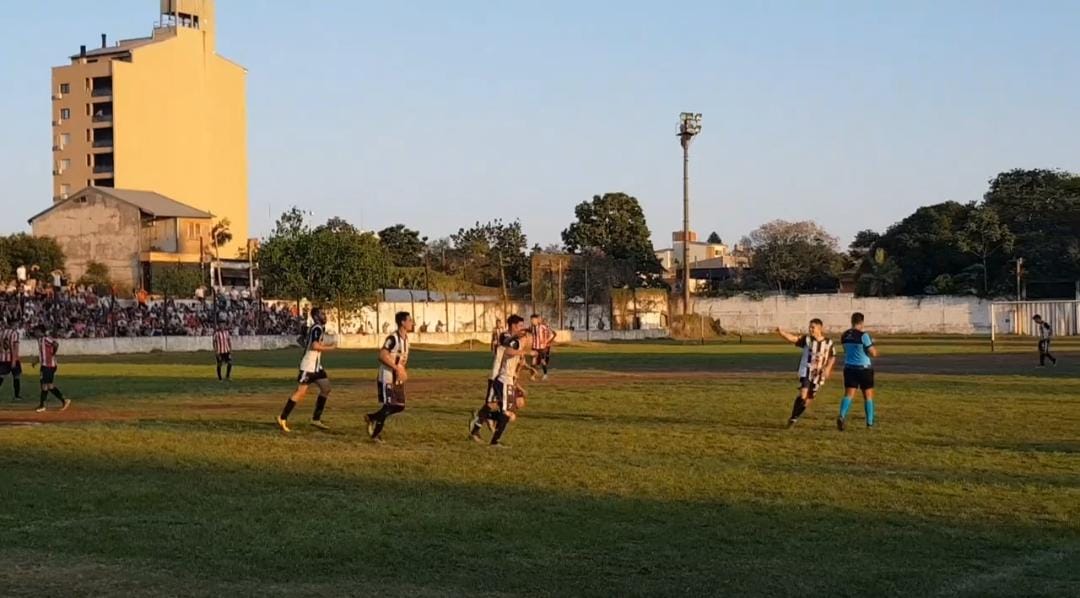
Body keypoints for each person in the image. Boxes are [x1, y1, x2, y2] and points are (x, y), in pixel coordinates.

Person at [470, 315, 533, 447]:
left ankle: (479, 422)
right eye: (520, 326)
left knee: (494, 406)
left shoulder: (516, 342)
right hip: (497, 376)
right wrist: (524, 348)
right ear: (513, 326)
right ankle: (490, 436)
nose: (522, 329)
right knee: (498, 408)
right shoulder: (506, 336)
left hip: (504, 377)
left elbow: (516, 357)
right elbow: (508, 348)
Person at [276, 307, 335, 433]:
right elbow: (314, 345)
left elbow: (302, 340)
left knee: (326, 388)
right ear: (316, 316)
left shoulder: (317, 328)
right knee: (300, 392)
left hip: (316, 366)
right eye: (322, 313)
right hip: (308, 366)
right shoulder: (317, 328)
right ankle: (282, 417)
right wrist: (331, 347)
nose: (324, 315)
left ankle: (316, 419)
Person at [776, 320, 836, 428]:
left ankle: (793, 417)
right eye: (810, 327)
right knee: (803, 394)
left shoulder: (828, 343)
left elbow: (832, 356)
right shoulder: (807, 340)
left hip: (818, 375)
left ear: (820, 328)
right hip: (806, 371)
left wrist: (827, 369)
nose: (810, 329)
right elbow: (793, 339)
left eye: (813, 327)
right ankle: (793, 418)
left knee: (807, 401)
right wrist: (782, 333)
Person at [365, 311, 413, 443]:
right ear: (402, 322)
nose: (411, 323)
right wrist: (396, 367)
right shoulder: (393, 338)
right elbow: (382, 355)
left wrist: (402, 369)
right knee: (389, 405)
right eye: (409, 320)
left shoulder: (406, 339)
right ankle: (375, 435)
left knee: (400, 406)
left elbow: (401, 358)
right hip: (387, 376)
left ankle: (372, 417)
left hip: (397, 377)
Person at [836, 312, 879, 431]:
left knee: (848, 394)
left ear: (851, 321)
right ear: (862, 322)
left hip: (849, 368)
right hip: (864, 368)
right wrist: (872, 345)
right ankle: (869, 423)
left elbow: (845, 350)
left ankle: (842, 415)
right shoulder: (864, 335)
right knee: (868, 396)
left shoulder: (844, 335)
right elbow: (873, 353)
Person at [31, 325, 69, 413]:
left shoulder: (45, 339)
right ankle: (63, 400)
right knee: (48, 386)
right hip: (44, 365)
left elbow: (56, 344)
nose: (35, 333)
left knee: (45, 385)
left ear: (40, 331)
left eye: (36, 331)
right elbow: (42, 353)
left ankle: (42, 405)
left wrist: (53, 353)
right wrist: (36, 361)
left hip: (49, 365)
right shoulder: (40, 340)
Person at [0, 321, 23, 401]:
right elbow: (15, 347)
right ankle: (17, 396)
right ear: (13, 324)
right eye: (16, 324)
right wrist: (14, 360)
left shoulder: (1, 332)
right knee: (16, 377)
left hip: (2, 358)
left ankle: (17, 396)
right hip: (13, 358)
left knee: (1, 376)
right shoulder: (14, 333)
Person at [529, 314, 557, 381]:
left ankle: (545, 375)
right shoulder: (531, 327)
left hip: (542, 348)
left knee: (542, 361)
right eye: (531, 320)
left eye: (533, 320)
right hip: (534, 347)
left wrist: (546, 341)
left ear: (537, 320)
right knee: (533, 361)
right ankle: (533, 376)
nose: (532, 321)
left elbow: (551, 333)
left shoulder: (543, 327)